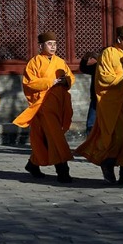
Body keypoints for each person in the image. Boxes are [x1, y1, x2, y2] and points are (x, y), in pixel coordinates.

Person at [75, 25, 123, 185]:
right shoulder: (108, 53)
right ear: (119, 40)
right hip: (115, 103)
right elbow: (103, 77)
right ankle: (107, 163)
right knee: (119, 136)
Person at [14, 32, 75, 183]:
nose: (53, 46)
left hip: (59, 105)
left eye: (55, 44)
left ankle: (33, 164)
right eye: (49, 44)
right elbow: (29, 83)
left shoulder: (60, 61)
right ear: (41, 46)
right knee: (56, 137)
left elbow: (71, 77)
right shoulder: (34, 62)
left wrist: (65, 81)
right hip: (43, 107)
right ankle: (63, 170)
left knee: (46, 139)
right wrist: (51, 81)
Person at [80, 51, 99, 134]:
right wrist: (85, 58)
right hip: (95, 99)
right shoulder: (96, 67)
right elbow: (83, 68)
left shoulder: (112, 67)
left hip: (108, 100)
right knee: (90, 126)